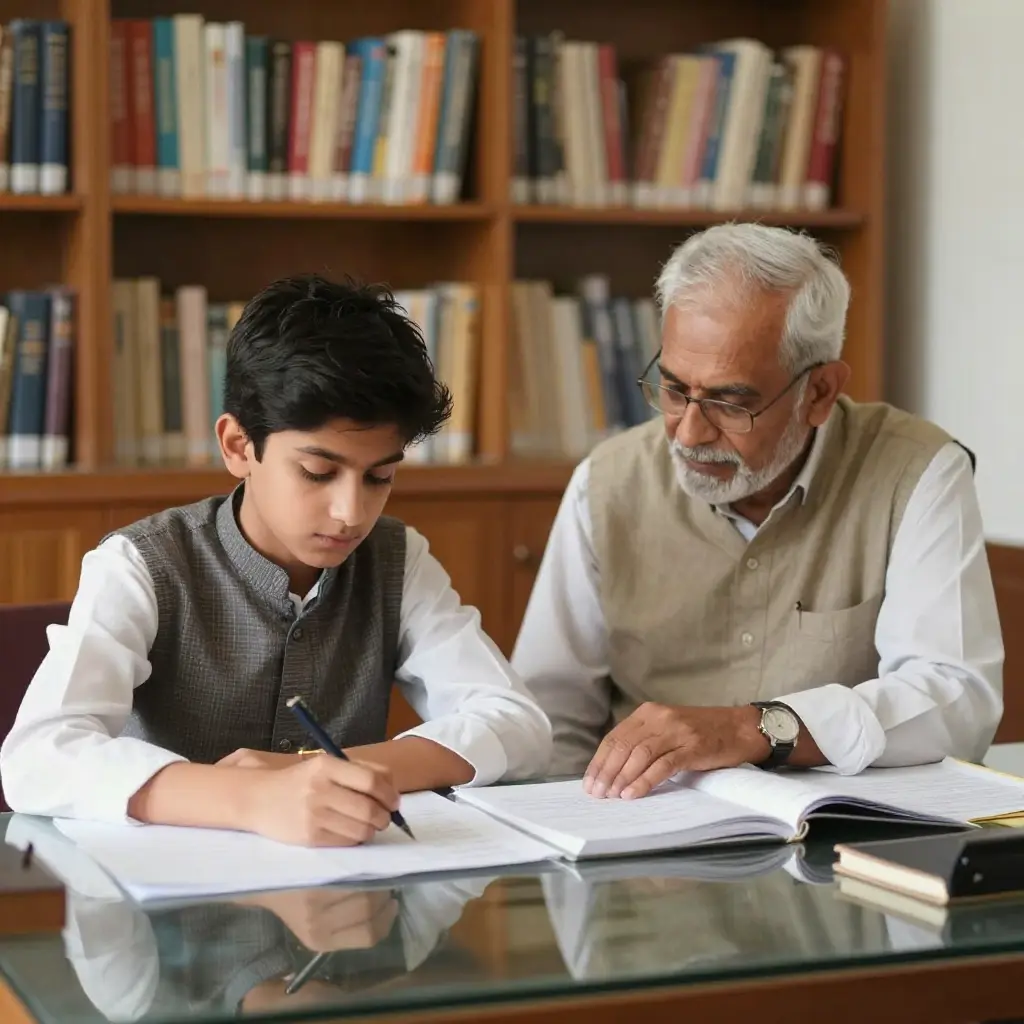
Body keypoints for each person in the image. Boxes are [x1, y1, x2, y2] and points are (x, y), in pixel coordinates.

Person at [1, 274, 551, 844]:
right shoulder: (141, 565)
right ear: (238, 446)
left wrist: (322, 772)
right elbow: (40, 756)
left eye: (380, 476)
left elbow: (519, 726)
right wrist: (249, 797)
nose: (350, 512)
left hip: (343, 893)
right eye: (318, 473)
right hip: (173, 906)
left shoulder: (396, 559)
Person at [511, 223, 1003, 799]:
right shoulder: (607, 483)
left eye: (729, 401)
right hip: (648, 844)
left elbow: (956, 700)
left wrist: (759, 728)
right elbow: (550, 720)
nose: (690, 432)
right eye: (673, 390)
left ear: (818, 392)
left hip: (839, 843)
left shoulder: (916, 473)